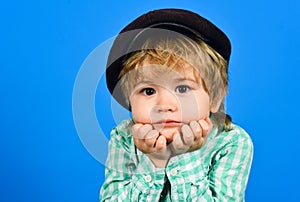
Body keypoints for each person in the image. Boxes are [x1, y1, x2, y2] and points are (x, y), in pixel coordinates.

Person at [100, 8, 253, 201]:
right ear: (130, 101)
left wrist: (184, 155)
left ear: (215, 98)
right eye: (148, 91)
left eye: (182, 89)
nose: (165, 105)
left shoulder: (231, 143)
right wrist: (155, 160)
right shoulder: (123, 138)